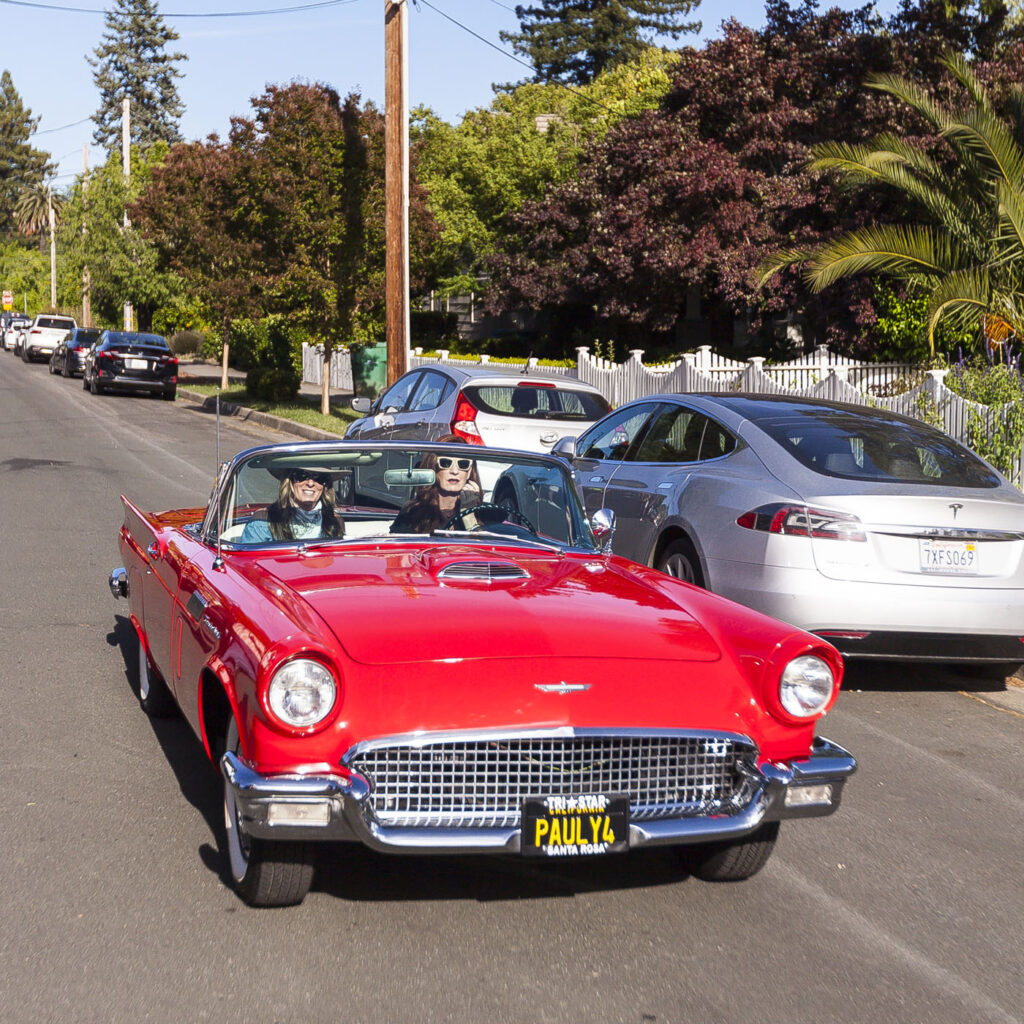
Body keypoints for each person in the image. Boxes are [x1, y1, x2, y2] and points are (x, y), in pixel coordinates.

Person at [390, 442, 483, 534]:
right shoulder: (413, 510)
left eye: (463, 464)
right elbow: (398, 542)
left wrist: (468, 516)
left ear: (469, 472)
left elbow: (485, 543)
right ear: (434, 468)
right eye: (445, 463)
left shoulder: (484, 512)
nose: (454, 471)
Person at [240, 467, 345, 543]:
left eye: (319, 478)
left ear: (325, 485)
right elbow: (250, 562)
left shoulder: (335, 521)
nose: (310, 483)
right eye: (302, 476)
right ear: (289, 481)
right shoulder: (263, 521)